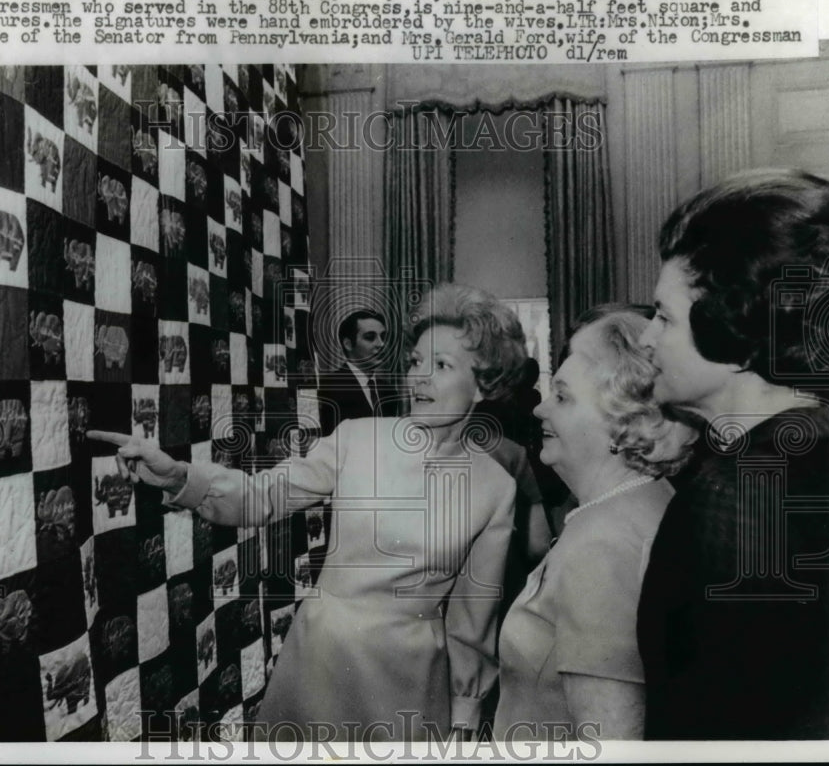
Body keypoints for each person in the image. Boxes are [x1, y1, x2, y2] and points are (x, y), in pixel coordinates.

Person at [89, 284, 528, 742]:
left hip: (410, 682)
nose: (419, 379)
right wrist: (179, 476)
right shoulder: (357, 438)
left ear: (484, 383)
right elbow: (264, 496)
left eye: (441, 366)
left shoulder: (495, 488)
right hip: (321, 663)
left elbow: (472, 620)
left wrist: (465, 715)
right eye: (416, 362)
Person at [635, 169, 829, 739]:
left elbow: (719, 717)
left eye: (664, 316)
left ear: (733, 323)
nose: (647, 339)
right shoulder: (817, 443)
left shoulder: (738, 490)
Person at [494, 306, 697, 741]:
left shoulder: (602, 545)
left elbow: (610, 741)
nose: (540, 410)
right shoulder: (642, 501)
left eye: (563, 396)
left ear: (622, 422)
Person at [317, 308, 402, 436]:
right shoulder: (327, 388)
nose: (381, 344)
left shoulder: (389, 392)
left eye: (383, 337)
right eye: (370, 337)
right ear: (348, 344)